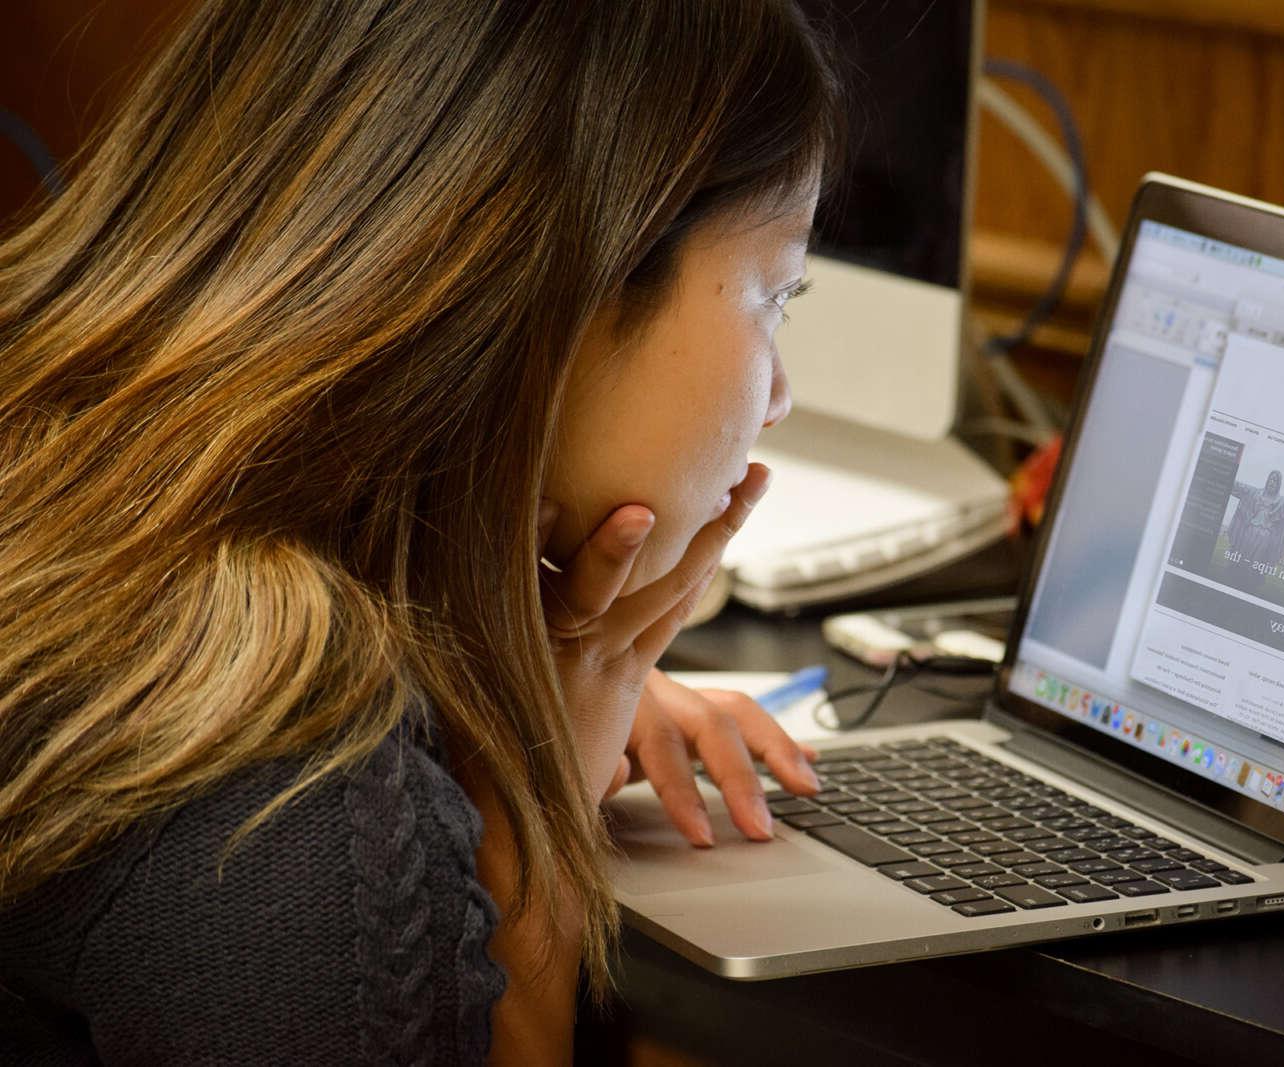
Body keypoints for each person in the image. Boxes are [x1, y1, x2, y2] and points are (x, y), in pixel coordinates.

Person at [0, 1, 841, 1062]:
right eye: (776, 293)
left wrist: (518, 682)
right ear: (576, 279)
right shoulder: (297, 810)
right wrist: (531, 807)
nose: (777, 394)